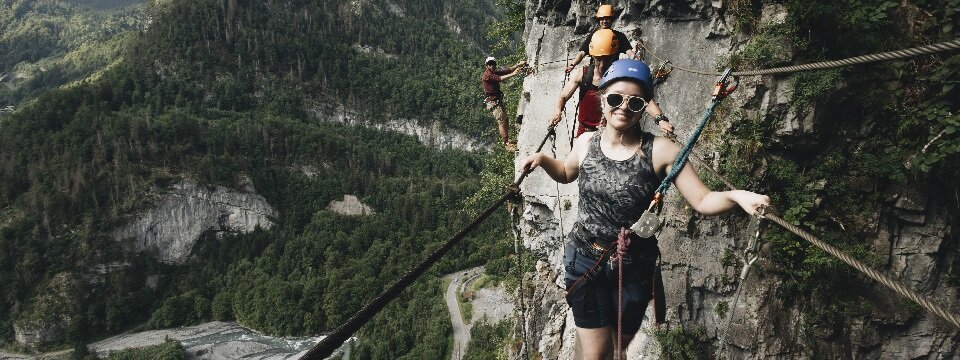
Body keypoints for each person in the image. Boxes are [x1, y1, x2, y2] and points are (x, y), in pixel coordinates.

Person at [521, 59, 769, 360]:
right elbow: (565, 172)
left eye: (634, 102)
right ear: (602, 99)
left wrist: (738, 196)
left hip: (635, 265)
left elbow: (702, 200)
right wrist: (543, 160)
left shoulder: (662, 150)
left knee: (616, 348)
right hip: (586, 258)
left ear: (643, 108)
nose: (623, 107)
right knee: (598, 355)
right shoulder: (586, 142)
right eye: (615, 98)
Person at [550, 30, 673, 136]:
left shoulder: (621, 76)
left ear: (614, 55)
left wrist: (661, 119)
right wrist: (557, 111)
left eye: (607, 58)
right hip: (585, 131)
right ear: (592, 56)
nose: (602, 65)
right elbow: (563, 96)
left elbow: (644, 100)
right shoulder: (583, 74)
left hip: (612, 134)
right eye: (598, 59)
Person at [565, 5, 635, 74]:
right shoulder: (593, 35)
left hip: (613, 70)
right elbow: (582, 53)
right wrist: (572, 65)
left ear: (611, 20)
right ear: (599, 20)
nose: (604, 21)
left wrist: (636, 62)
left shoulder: (619, 36)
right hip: (595, 69)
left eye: (607, 18)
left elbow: (629, 52)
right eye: (602, 19)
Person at [482, 56, 527, 151]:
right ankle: (506, 144)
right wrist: (514, 74)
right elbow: (501, 78)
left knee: (505, 120)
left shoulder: (493, 72)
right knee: (501, 121)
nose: (492, 66)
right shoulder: (487, 75)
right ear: (487, 65)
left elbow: (507, 70)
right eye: (490, 64)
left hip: (497, 101)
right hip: (493, 103)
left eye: (493, 64)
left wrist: (518, 65)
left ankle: (507, 140)